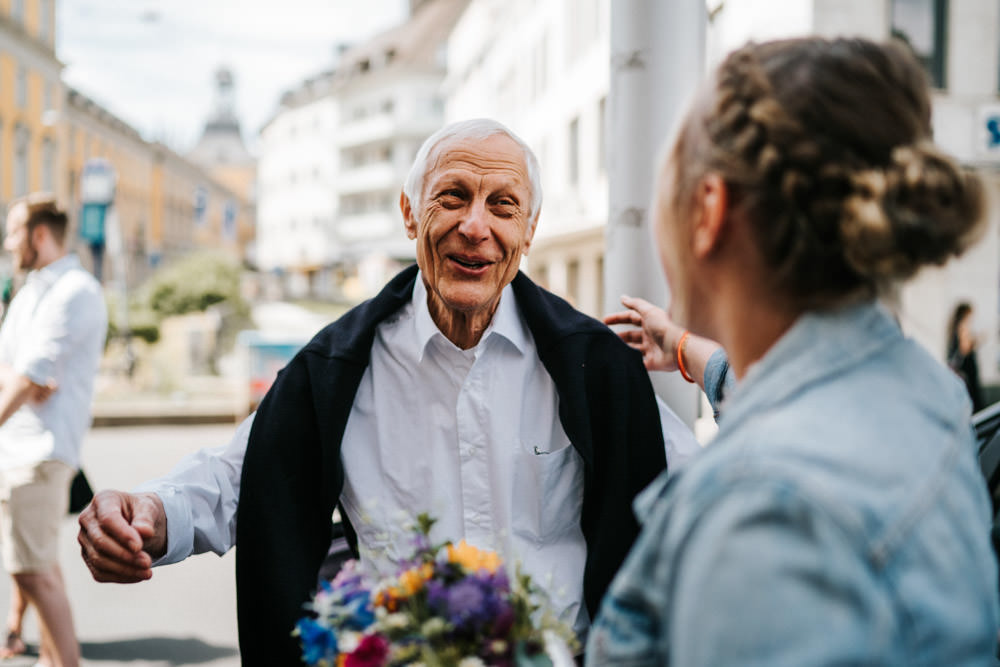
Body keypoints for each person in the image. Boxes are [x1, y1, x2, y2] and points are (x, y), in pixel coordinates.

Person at [77, 119, 699, 663]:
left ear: (529, 229)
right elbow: (240, 477)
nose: (475, 226)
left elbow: (703, 487)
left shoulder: (593, 368)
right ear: (410, 214)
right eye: (452, 197)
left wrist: (708, 362)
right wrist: (152, 514)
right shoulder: (338, 366)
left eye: (503, 206)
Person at [587, 37, 1000, 665]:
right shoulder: (918, 383)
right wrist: (688, 352)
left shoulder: (764, 511)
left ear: (707, 208)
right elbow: (807, 404)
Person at [0, 194, 107, 667]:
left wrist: (27, 380)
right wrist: (26, 380)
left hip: (42, 451)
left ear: (38, 235)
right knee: (37, 568)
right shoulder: (31, 292)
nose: (7, 242)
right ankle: (52, 659)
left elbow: (30, 373)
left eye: (13, 231)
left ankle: (64, 661)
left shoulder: (74, 289)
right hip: (19, 447)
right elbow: (16, 372)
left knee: (33, 572)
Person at [947, 301, 986, 412]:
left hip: (961, 365)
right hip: (967, 365)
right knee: (974, 395)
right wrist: (977, 340)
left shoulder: (954, 325)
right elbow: (965, 348)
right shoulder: (962, 326)